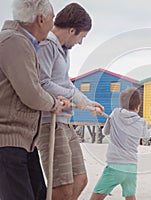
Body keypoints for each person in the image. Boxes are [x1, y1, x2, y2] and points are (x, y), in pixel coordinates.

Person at [0, 0, 69, 199]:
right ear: (40, 19)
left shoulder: (23, 42)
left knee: (38, 194)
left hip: (24, 142)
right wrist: (55, 103)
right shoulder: (14, 41)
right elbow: (30, 93)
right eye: (52, 19)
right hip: (9, 140)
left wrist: (52, 100)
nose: (52, 25)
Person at [36, 3, 104, 200]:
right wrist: (77, 98)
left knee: (80, 179)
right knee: (62, 188)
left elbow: (66, 84)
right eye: (81, 37)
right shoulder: (48, 44)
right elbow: (41, 83)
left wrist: (89, 103)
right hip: (51, 122)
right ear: (72, 30)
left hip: (65, 123)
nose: (81, 43)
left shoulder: (63, 50)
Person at [90, 87, 148, 200]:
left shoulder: (116, 113)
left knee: (97, 196)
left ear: (122, 104)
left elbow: (105, 131)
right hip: (131, 166)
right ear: (138, 106)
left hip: (115, 166)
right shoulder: (142, 122)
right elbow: (145, 135)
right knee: (130, 196)